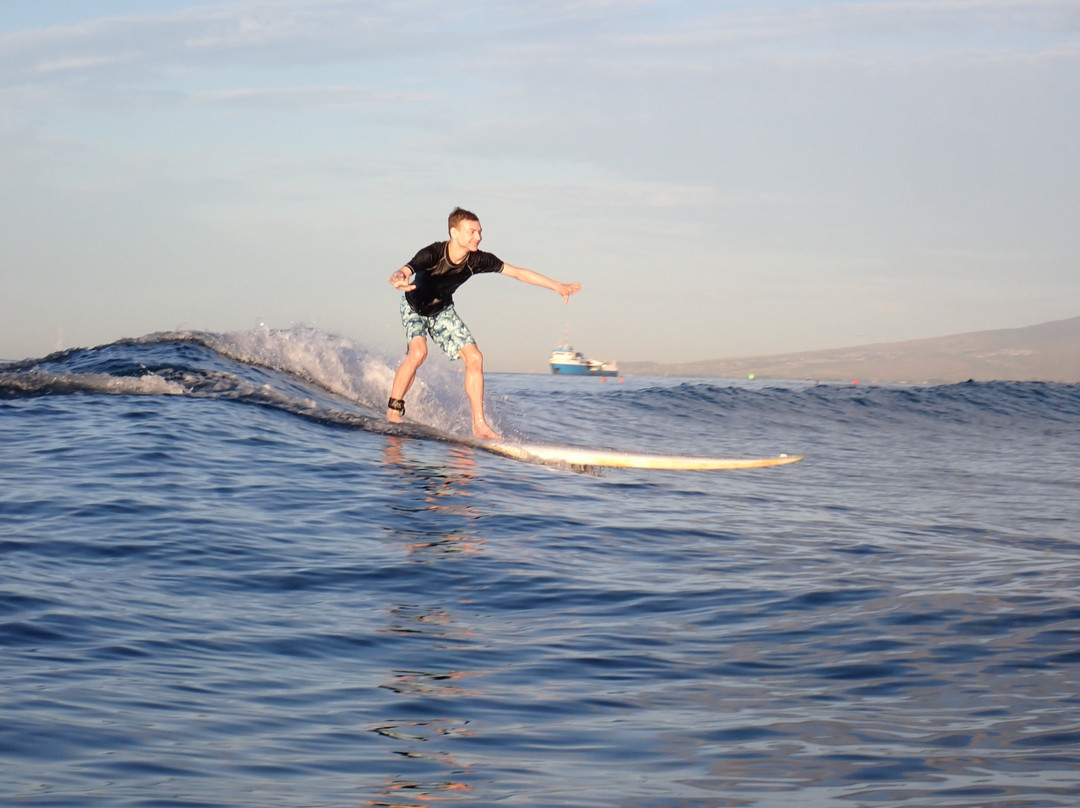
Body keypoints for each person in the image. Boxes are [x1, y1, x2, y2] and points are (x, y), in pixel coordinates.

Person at [387, 207, 581, 439]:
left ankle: (479, 424)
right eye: (472, 232)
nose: (478, 237)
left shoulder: (478, 260)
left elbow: (518, 273)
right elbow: (406, 269)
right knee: (418, 353)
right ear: (454, 232)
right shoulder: (433, 253)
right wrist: (398, 277)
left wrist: (557, 286)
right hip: (413, 307)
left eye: (480, 232)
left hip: (442, 311)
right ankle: (394, 411)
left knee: (475, 358)